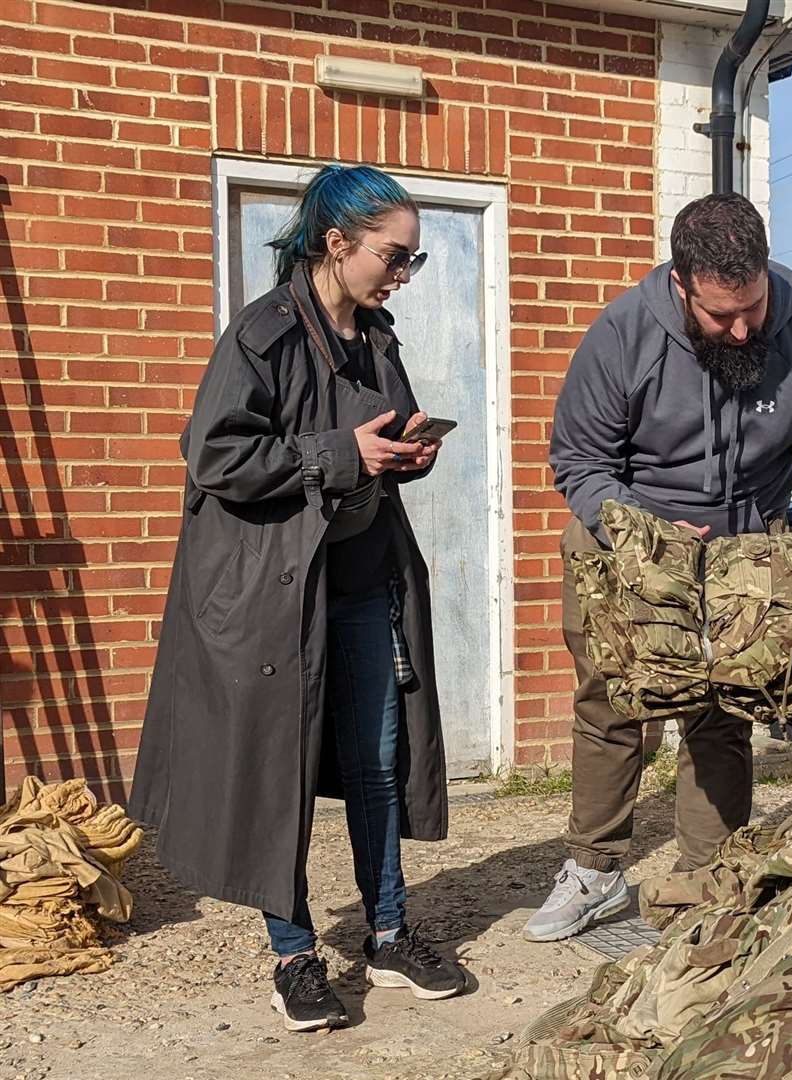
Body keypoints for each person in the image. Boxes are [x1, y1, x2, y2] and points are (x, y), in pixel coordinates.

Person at [129, 164, 467, 1032]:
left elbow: (369, 441)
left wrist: (404, 453)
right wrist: (340, 455)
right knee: (275, 774)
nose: (403, 272)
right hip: (275, 596)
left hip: (361, 584)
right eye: (396, 255)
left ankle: (388, 933)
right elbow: (215, 458)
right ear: (337, 242)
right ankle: (294, 956)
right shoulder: (262, 335)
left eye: (414, 260)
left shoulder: (377, 337)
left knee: (378, 765)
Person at [528, 192, 792, 942]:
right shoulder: (622, 333)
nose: (744, 326)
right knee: (613, 707)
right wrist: (645, 533)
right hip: (632, 544)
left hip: (744, 552)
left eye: (752, 306)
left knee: (722, 717)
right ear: (682, 285)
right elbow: (580, 462)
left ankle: (710, 880)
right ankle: (594, 871)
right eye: (722, 316)